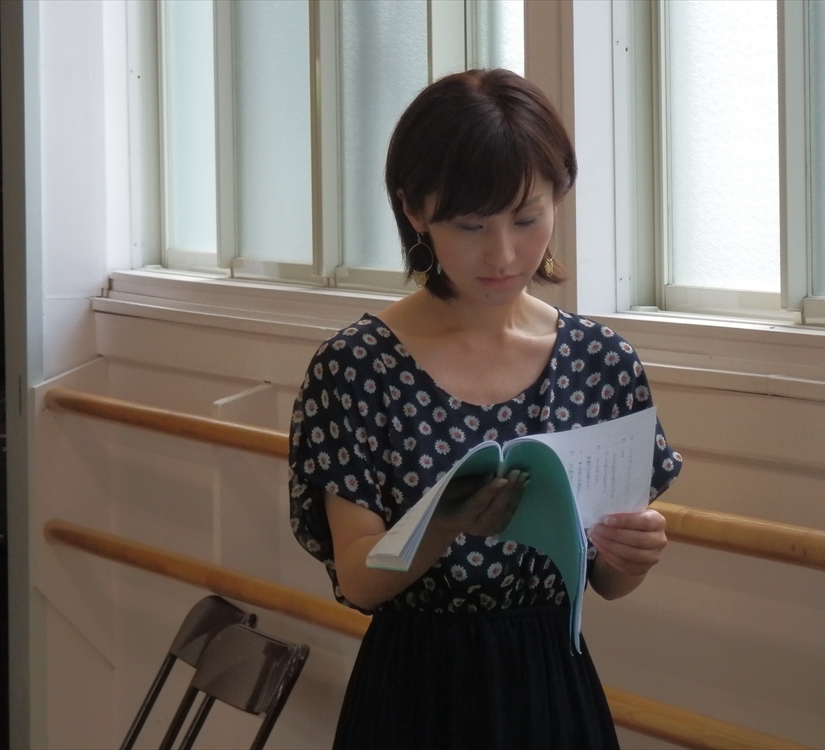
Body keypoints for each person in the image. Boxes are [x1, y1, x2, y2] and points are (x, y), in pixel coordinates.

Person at [288, 69, 682, 749]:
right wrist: (444, 524)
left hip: (552, 686)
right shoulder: (356, 366)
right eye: (470, 225)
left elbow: (607, 583)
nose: (503, 254)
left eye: (527, 219)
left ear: (559, 196)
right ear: (415, 211)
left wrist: (634, 555)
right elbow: (357, 580)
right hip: (413, 691)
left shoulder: (601, 361)